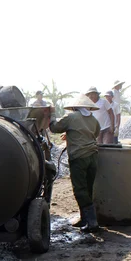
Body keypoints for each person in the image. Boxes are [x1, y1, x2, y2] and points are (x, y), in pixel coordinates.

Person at [49, 94, 101, 232]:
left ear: (74, 107)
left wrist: (52, 114)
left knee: (79, 189)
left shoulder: (71, 117)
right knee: (88, 188)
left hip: (79, 158)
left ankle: (92, 221)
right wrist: (72, 133)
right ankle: (85, 219)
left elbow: (54, 128)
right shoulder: (93, 119)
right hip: (93, 157)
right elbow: (94, 134)